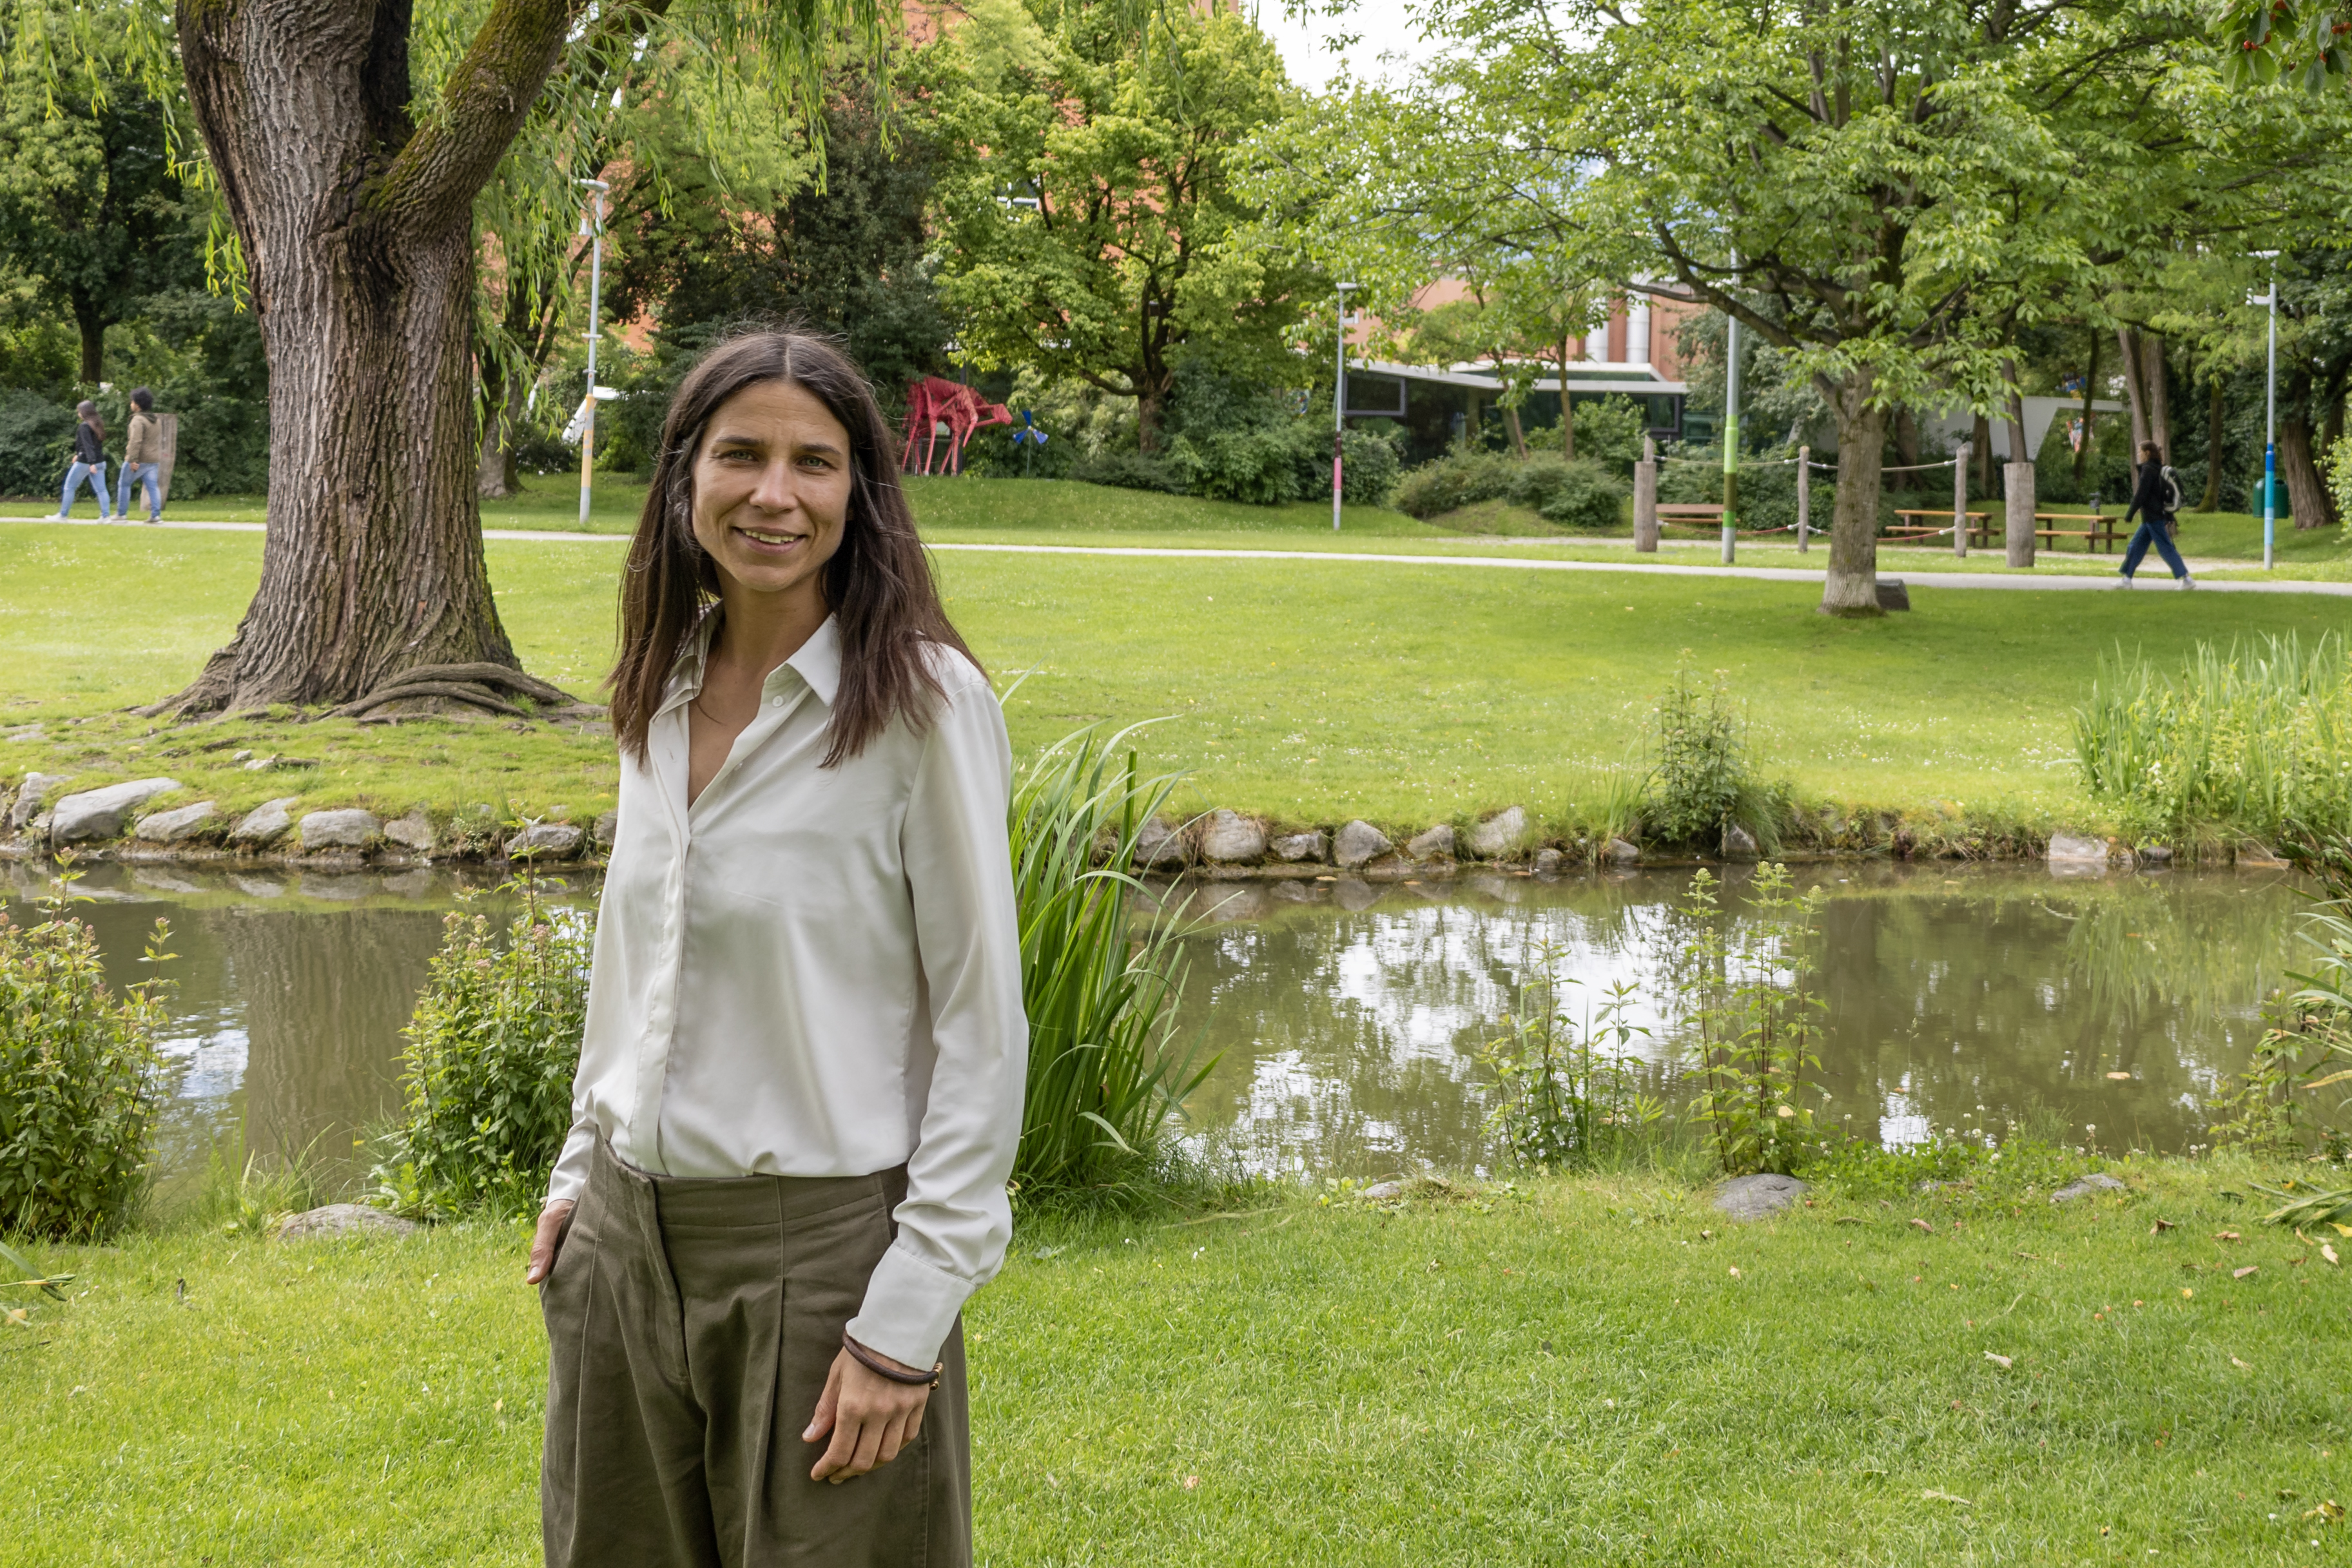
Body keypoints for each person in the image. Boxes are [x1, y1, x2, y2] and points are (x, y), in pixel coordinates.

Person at [525, 329, 1027, 1568]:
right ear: (684, 475)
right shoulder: (661, 685)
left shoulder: (919, 702)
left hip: (822, 1269)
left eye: (814, 462)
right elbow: (635, 957)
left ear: (859, 492)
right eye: (740, 454)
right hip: (624, 1253)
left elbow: (981, 1023)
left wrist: (904, 1320)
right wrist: (582, 1165)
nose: (773, 493)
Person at [2117, 440, 2192, 589]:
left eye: (2140, 452)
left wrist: (2130, 514)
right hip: (2151, 517)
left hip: (2153, 517)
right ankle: (2127, 580)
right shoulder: (2157, 468)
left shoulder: (2149, 470)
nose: (2138, 454)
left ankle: (2186, 579)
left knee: (2165, 548)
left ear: (2147, 453)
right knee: (2135, 546)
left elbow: (2141, 495)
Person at [55, 400, 113, 521]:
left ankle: (63, 515)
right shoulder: (98, 424)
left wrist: (91, 463)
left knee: (69, 487)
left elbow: (88, 446)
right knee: (101, 490)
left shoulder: (84, 426)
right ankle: (106, 516)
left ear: (84, 412)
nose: (78, 414)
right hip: (100, 461)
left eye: (79, 411)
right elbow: (95, 446)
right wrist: (78, 454)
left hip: (86, 462)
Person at [117, 387, 164, 524]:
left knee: (124, 484)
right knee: (153, 487)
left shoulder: (138, 421)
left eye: (132, 402)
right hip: (154, 459)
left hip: (139, 460)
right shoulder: (156, 420)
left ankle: (121, 514)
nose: (130, 404)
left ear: (137, 405)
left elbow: (135, 441)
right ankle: (156, 515)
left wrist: (132, 459)